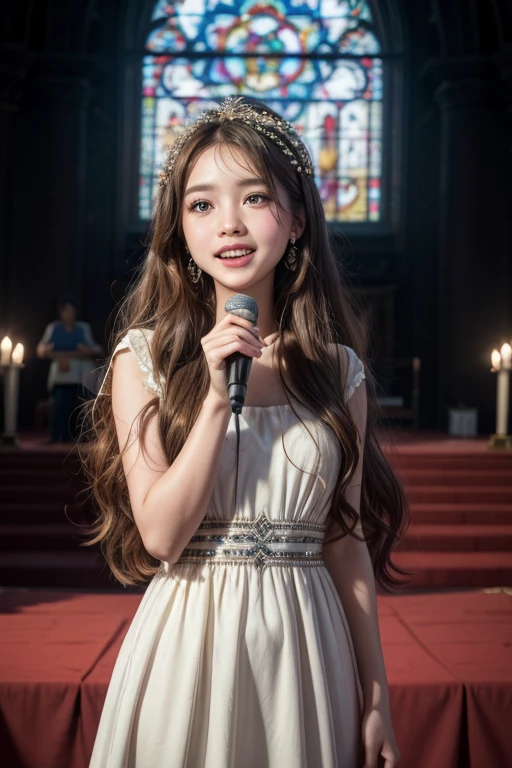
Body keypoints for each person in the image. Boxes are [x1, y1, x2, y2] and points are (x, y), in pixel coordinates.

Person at [83, 96, 409, 768]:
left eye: (253, 197)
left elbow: (346, 547)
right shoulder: (141, 361)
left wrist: (375, 697)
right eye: (201, 204)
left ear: (294, 221)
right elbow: (162, 536)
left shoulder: (338, 371)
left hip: (306, 640)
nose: (227, 223)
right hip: (191, 637)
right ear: (180, 230)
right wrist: (210, 397)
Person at [37, 293, 103, 443]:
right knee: (58, 408)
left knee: (77, 409)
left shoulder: (82, 328)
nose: (69, 314)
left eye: (72, 311)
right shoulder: (54, 328)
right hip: (61, 377)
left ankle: (76, 438)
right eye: (66, 311)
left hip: (79, 376)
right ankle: (56, 437)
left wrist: (86, 351)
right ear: (61, 312)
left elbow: (95, 349)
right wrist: (49, 351)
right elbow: (41, 350)